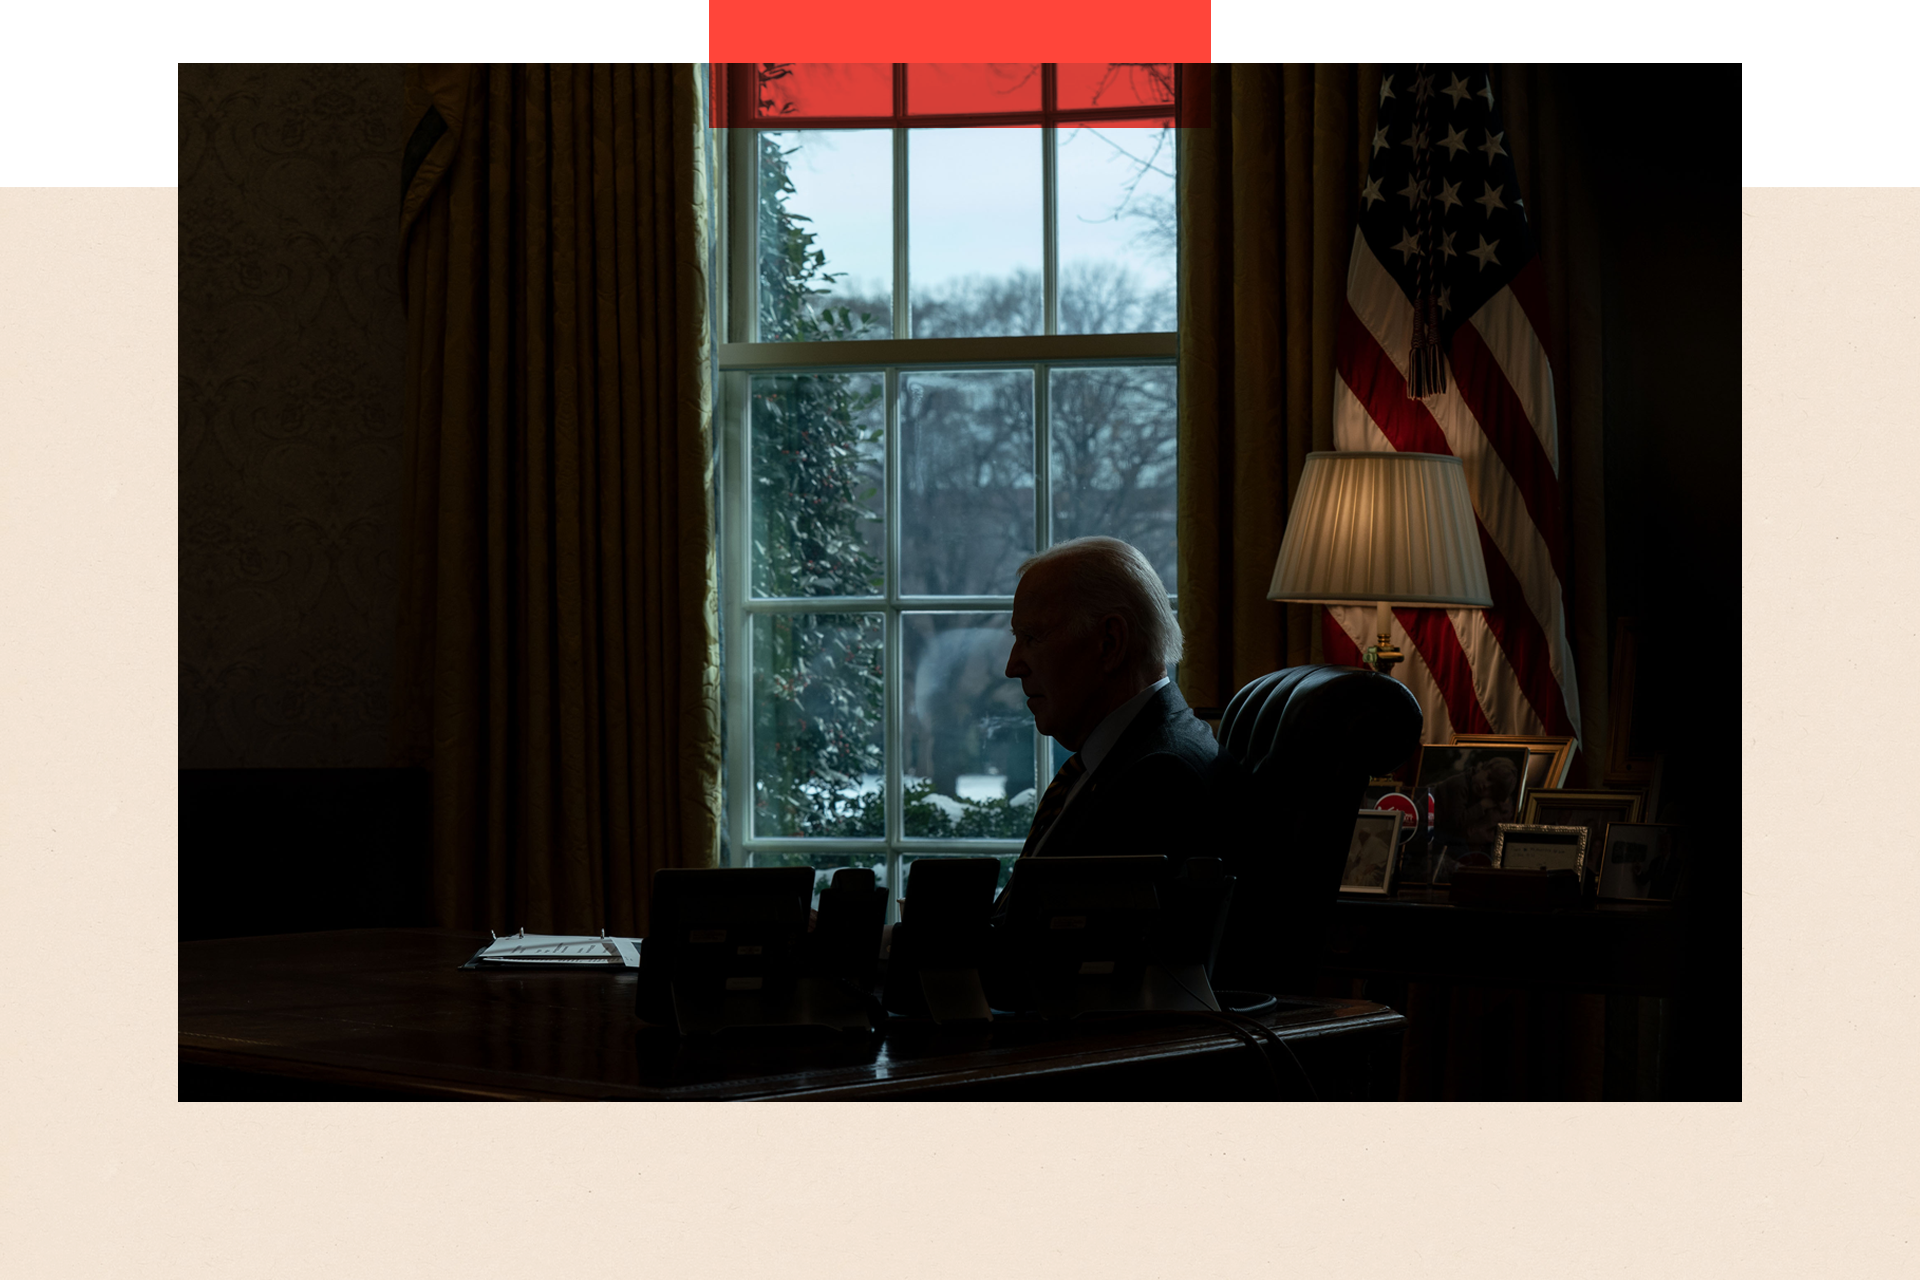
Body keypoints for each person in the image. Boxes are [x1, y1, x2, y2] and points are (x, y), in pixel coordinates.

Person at [999, 537, 1217, 878]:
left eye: (1031, 638)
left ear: (1109, 643)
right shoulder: (1125, 759)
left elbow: (1073, 933)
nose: (1013, 666)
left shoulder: (1158, 781)